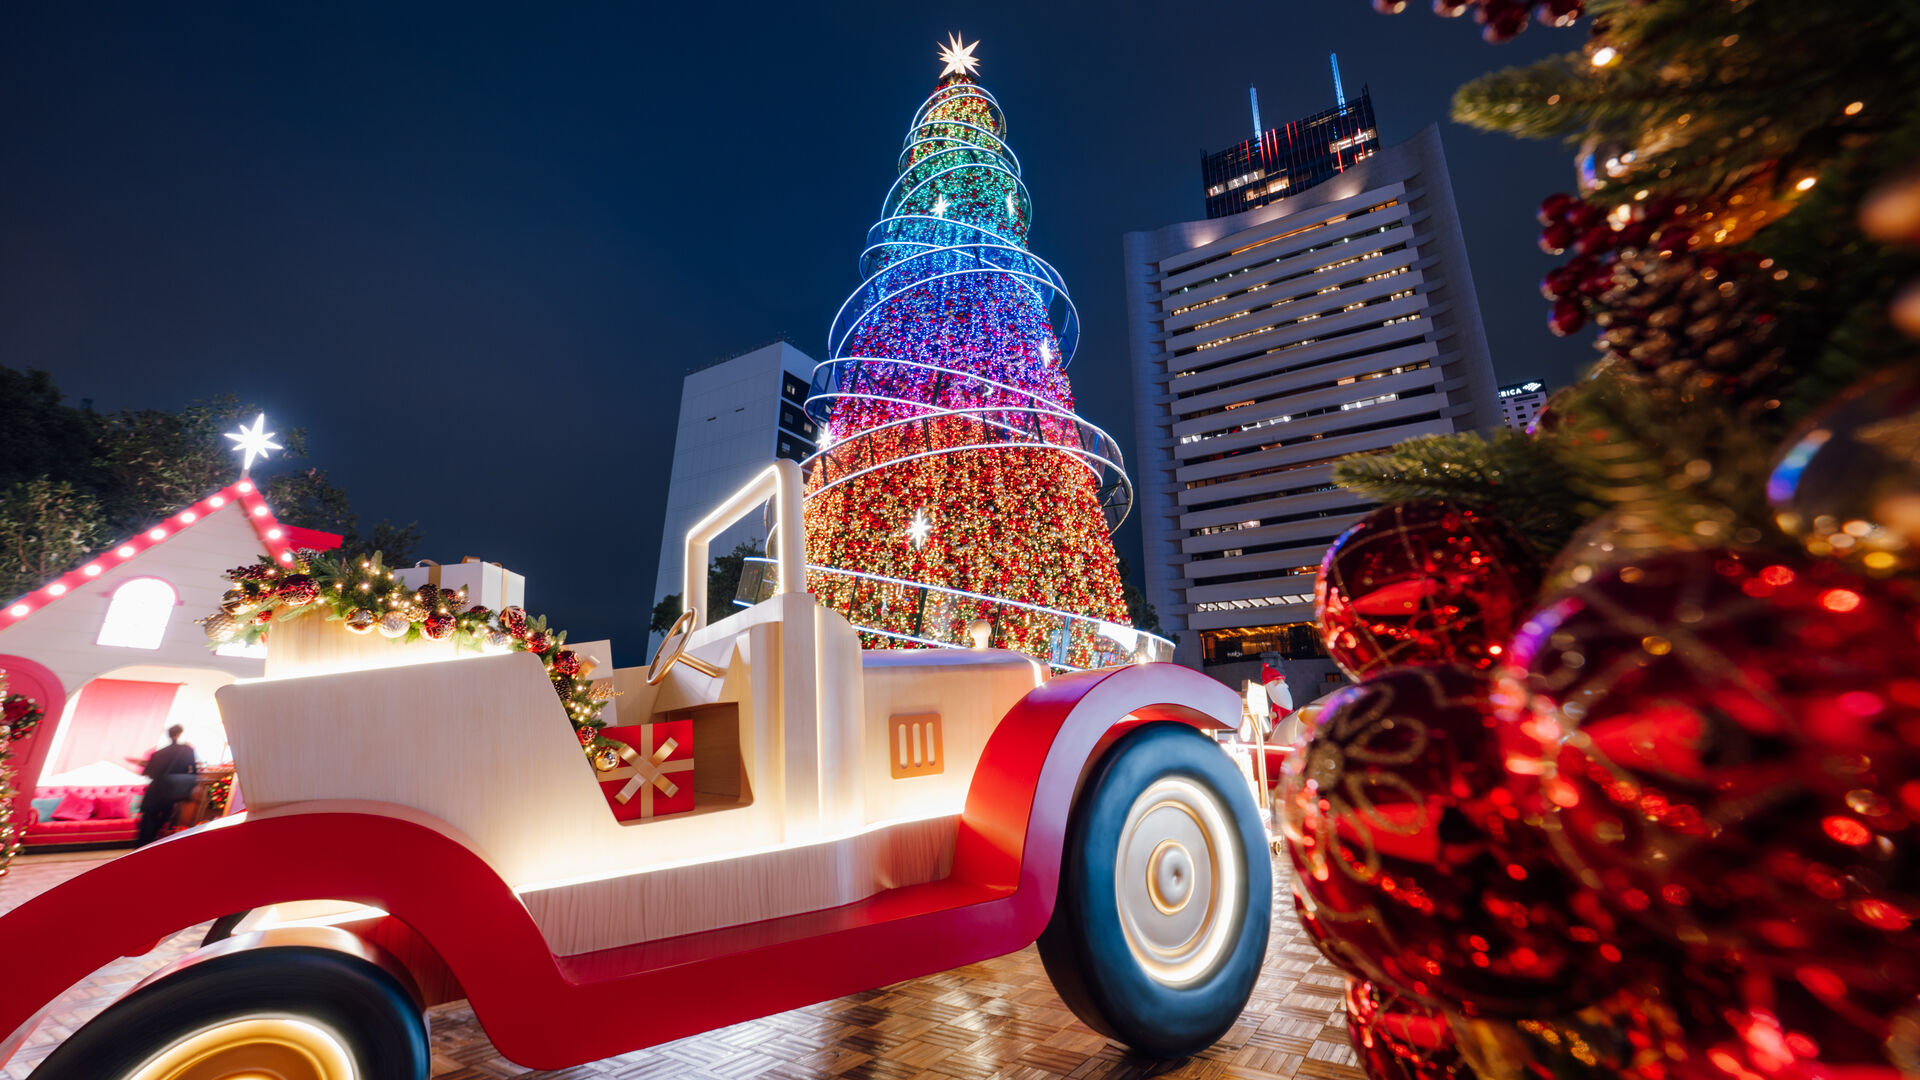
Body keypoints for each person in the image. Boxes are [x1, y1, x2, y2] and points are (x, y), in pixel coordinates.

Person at [137, 724, 197, 846]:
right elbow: (193, 771)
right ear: (180, 734)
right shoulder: (187, 750)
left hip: (155, 790)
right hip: (172, 791)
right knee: (165, 818)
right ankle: (151, 845)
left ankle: (142, 847)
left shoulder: (159, 753)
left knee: (148, 821)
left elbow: (148, 773)